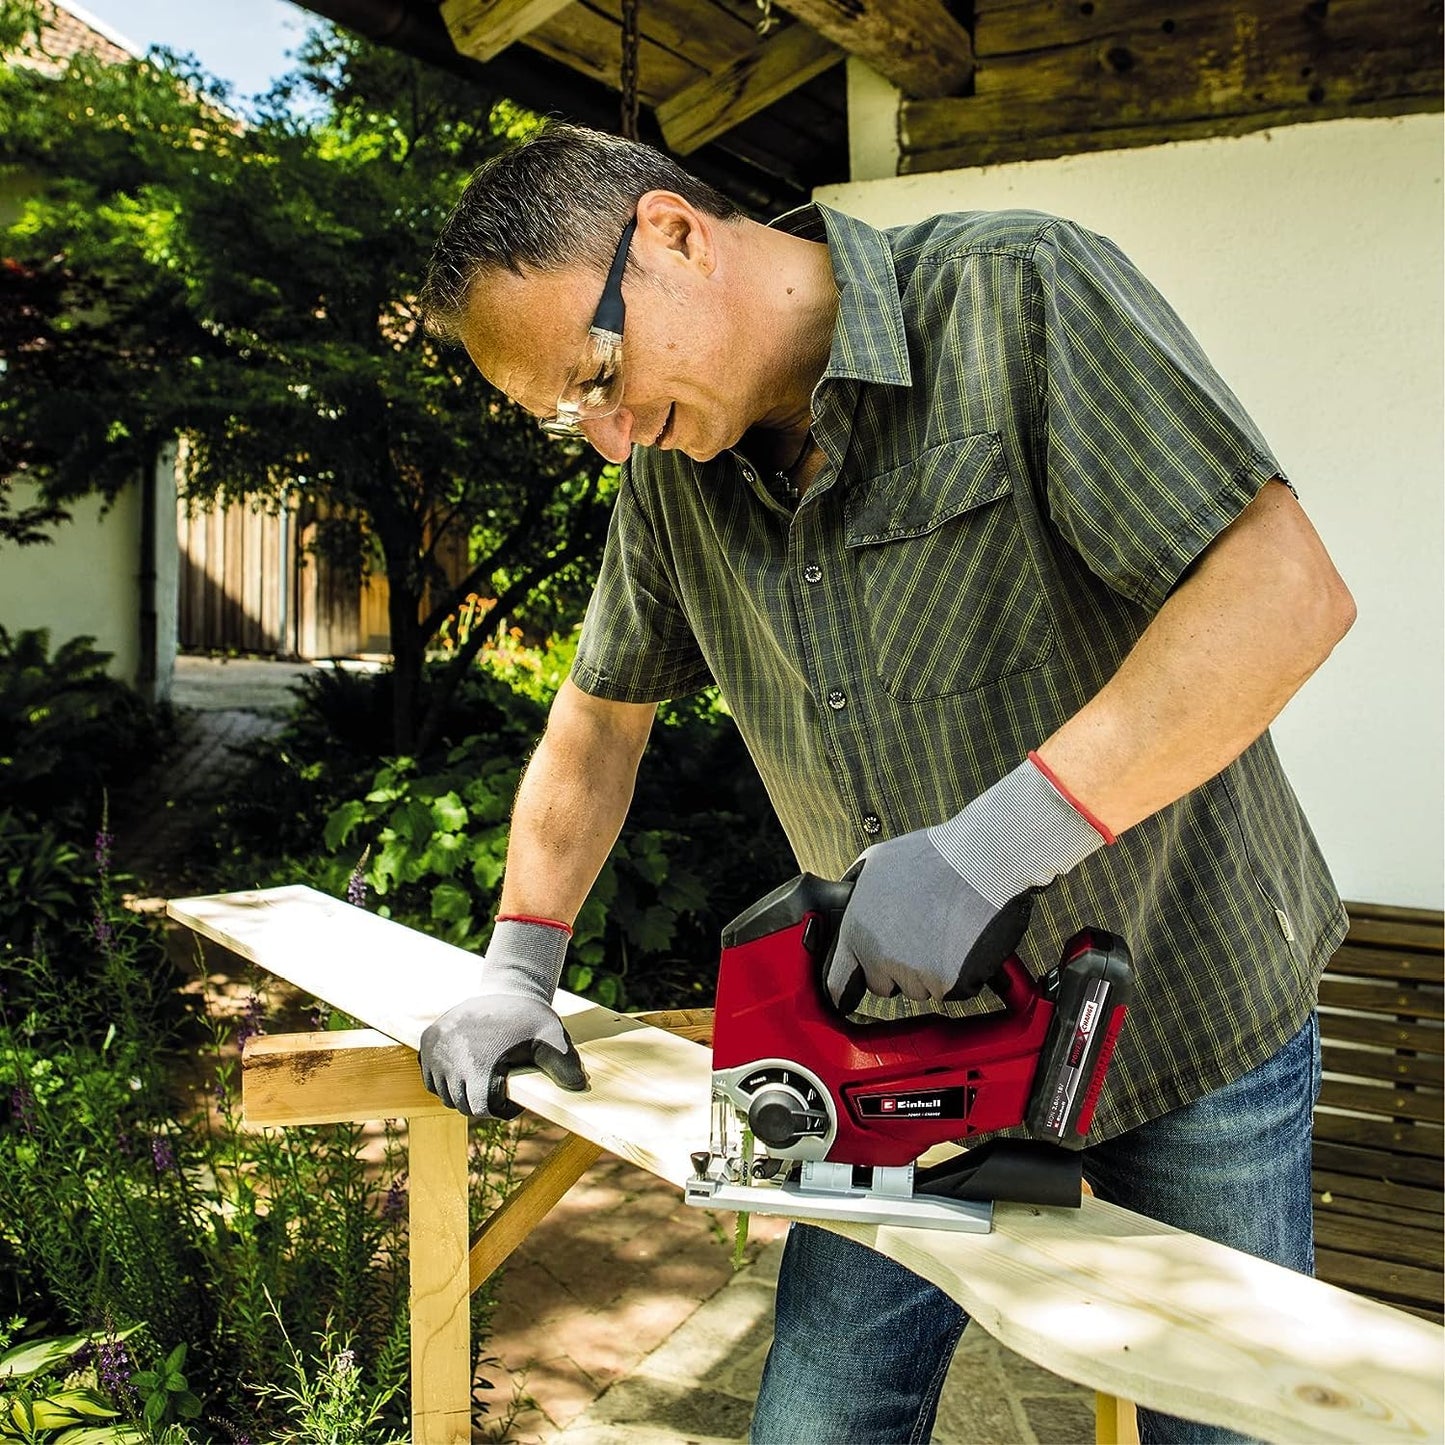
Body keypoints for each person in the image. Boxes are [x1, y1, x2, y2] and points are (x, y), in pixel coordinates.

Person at [415, 121, 1356, 1444]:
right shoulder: (676, 475)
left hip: (1181, 1009)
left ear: (672, 237)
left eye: (601, 376)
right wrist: (519, 962)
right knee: (819, 1421)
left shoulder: (1014, 296)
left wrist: (991, 847)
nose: (613, 441)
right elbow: (596, 725)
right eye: (571, 418)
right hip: (897, 1059)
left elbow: (1284, 595)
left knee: (1234, 1423)